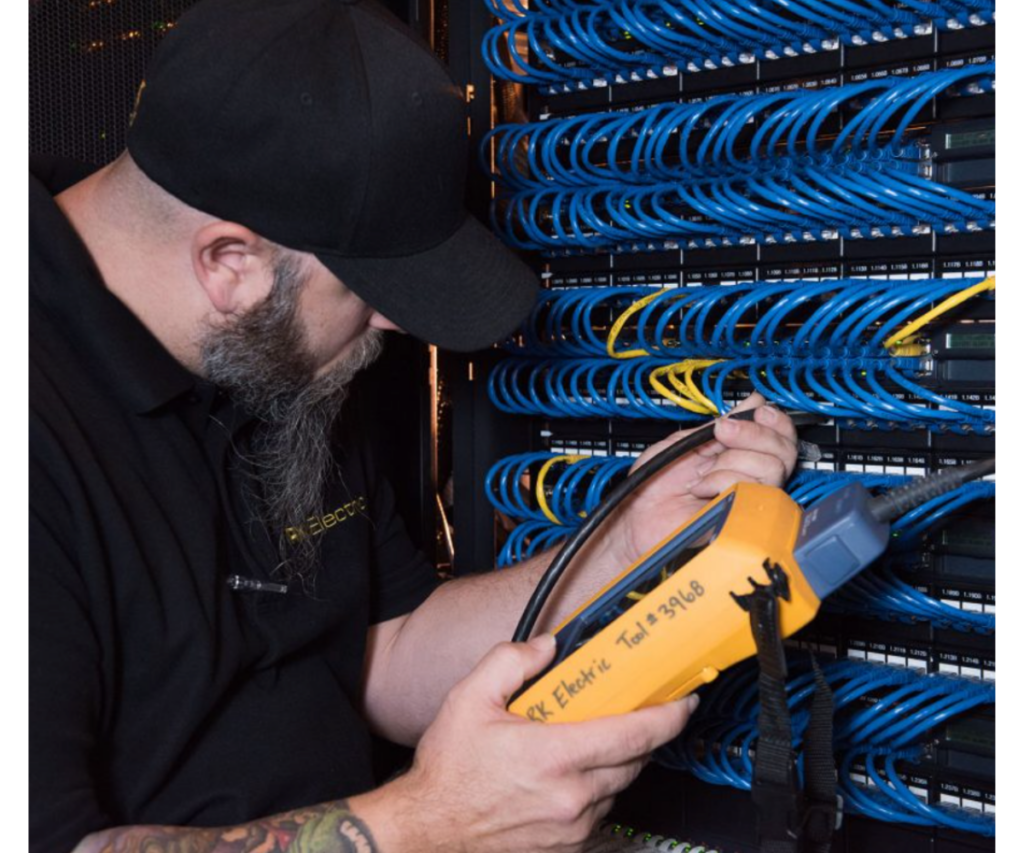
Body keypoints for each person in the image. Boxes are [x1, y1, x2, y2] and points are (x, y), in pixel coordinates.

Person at [27, 1, 801, 851]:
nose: (395, 326)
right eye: (370, 292)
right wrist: (430, 822)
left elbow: (381, 655)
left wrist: (619, 544)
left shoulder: (273, 357)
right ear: (230, 264)